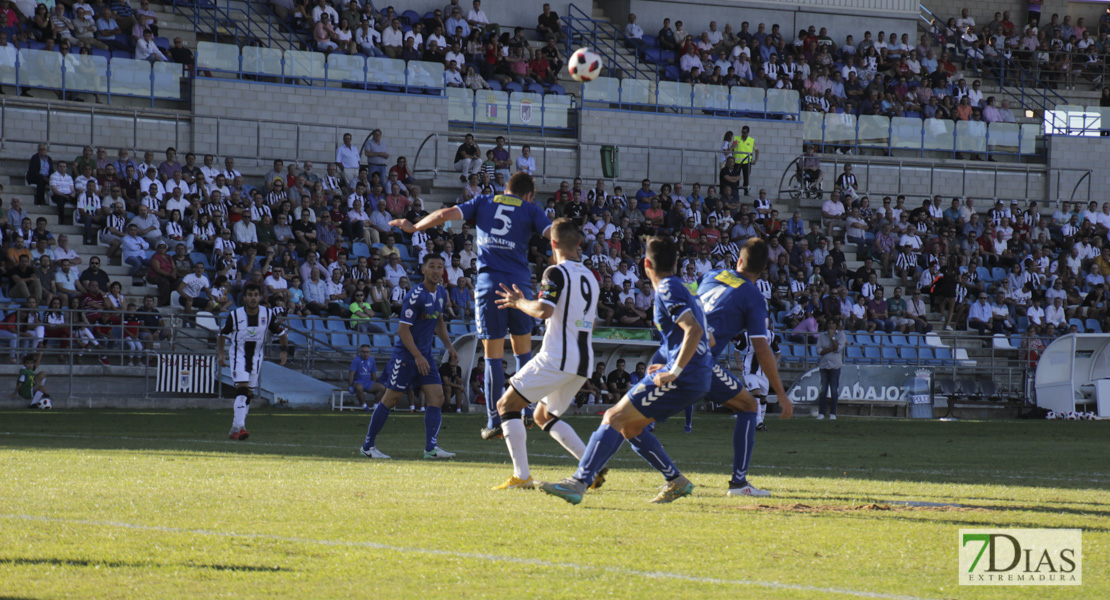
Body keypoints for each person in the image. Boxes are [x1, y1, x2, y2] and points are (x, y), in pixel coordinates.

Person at [538, 236, 714, 505]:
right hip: (695, 373)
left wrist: (675, 369)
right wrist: (670, 359)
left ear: (646, 264)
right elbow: (709, 339)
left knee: (613, 416)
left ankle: (579, 482)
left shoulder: (667, 288)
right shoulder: (687, 291)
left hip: (685, 376)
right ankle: (676, 481)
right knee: (630, 427)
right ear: (676, 263)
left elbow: (695, 330)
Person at [390, 172, 551, 440]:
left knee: (493, 357)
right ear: (529, 195)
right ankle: (528, 407)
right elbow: (551, 233)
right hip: (520, 287)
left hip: (490, 287)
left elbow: (444, 215)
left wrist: (415, 227)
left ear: (506, 188)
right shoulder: (531, 209)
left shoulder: (484, 201)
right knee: (524, 353)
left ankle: (493, 420)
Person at [489, 218, 606, 490]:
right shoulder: (591, 276)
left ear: (552, 243)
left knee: (506, 406)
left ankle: (522, 477)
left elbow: (544, 310)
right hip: (583, 360)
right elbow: (592, 320)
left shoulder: (555, 273)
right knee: (543, 416)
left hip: (557, 357)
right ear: (579, 243)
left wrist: (519, 302)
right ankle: (593, 468)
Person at [692, 238, 793, 495]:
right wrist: (781, 394)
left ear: (738, 260)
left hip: (673, 352)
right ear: (761, 272)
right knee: (749, 405)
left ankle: (587, 474)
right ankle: (738, 483)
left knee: (631, 417)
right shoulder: (754, 297)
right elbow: (762, 347)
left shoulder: (712, 275)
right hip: (700, 361)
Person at [359, 254, 458, 460]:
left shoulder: (441, 292)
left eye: (440, 267)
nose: (436, 271)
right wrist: (417, 356)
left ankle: (431, 449)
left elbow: (439, 321)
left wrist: (449, 346)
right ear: (423, 269)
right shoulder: (415, 295)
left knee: (437, 398)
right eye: (432, 266)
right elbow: (403, 331)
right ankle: (368, 446)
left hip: (425, 356)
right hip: (405, 356)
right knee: (391, 399)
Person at [216, 283, 289, 441]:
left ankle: (235, 428)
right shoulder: (235, 315)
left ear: (260, 297)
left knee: (248, 394)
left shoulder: (268, 314)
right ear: (244, 297)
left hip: (256, 357)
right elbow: (222, 334)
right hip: (238, 356)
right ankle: (240, 428)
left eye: (256, 295)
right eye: (250, 295)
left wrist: (284, 351)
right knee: (242, 390)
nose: (253, 298)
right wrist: (221, 354)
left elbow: (281, 333)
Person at [734, 327, 781, 432]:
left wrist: (775, 361)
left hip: (764, 372)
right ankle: (758, 422)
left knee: (763, 398)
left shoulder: (771, 335)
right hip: (749, 370)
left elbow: (778, 352)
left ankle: (760, 422)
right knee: (757, 393)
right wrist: (738, 363)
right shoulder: (747, 335)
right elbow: (737, 350)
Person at [815, 318, 845, 420]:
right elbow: (819, 351)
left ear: (836, 325)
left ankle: (833, 413)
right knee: (823, 390)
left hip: (835, 366)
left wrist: (832, 338)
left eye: (833, 323)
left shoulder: (841, 335)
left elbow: (838, 348)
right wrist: (831, 348)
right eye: (829, 323)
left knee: (834, 390)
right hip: (824, 365)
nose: (831, 325)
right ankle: (821, 413)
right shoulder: (822, 335)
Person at [349, 343, 385, 409]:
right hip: (358, 382)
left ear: (369, 352)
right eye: (363, 352)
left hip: (368, 383)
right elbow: (351, 374)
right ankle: (364, 406)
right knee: (359, 387)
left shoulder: (372, 360)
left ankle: (376, 405)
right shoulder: (356, 360)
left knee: (382, 388)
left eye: (367, 352)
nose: (365, 354)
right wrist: (351, 385)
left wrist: (374, 383)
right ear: (360, 352)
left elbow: (373, 373)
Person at [731, 125, 758, 196]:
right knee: (735, 178)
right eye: (742, 132)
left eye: (744, 132)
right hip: (737, 162)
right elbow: (732, 148)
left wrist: (756, 160)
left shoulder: (751, 140)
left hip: (747, 163)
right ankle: (735, 193)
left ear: (748, 133)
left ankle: (746, 193)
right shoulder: (737, 139)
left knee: (746, 179)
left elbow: (757, 150)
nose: (743, 134)